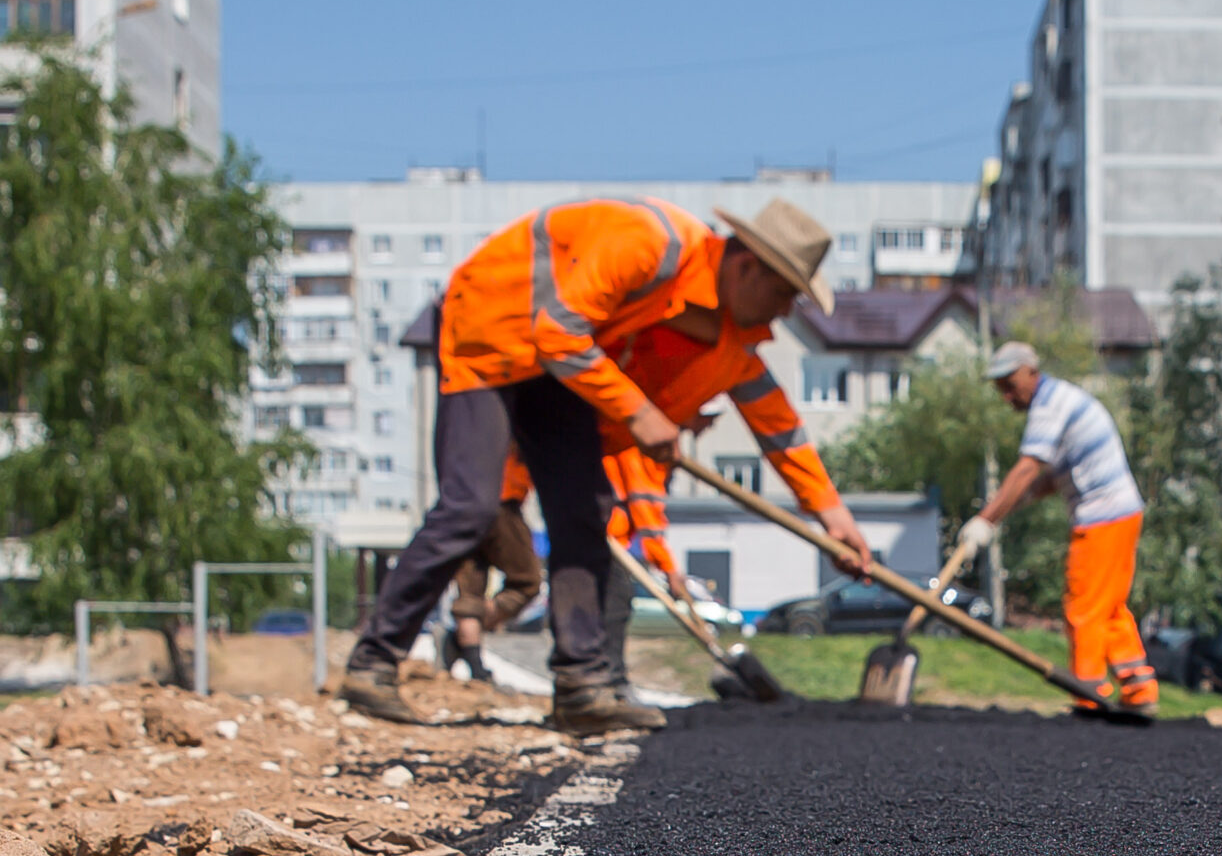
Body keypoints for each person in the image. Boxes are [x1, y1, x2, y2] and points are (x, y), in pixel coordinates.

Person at [340, 196, 852, 733]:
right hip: (489, 331)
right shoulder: (649, 244)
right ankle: (371, 663)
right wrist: (641, 412)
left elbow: (778, 428)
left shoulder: (718, 323)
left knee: (585, 512)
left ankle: (582, 687)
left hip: (559, 365)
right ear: (749, 267)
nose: (787, 310)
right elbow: (557, 329)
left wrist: (831, 513)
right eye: (784, 293)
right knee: (471, 508)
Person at [595, 300, 870, 685]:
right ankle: (607, 684)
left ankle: (609, 683)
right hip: (603, 533)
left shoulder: (732, 361)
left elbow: (781, 433)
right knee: (610, 603)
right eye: (705, 418)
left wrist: (830, 511)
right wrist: (669, 568)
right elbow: (646, 512)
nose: (705, 428)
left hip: (614, 538)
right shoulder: (643, 445)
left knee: (612, 603)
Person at [963, 341, 1158, 721]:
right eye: (999, 388)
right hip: (1122, 512)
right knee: (1109, 607)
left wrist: (986, 520)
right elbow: (1047, 480)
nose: (1006, 395)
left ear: (1031, 372)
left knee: (1083, 607)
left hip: (1103, 516)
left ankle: (1088, 695)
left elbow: (1028, 469)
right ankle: (1138, 690)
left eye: (1009, 383)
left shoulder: (1049, 405)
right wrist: (1013, 504)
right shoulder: (1063, 399)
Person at [445, 456, 541, 682]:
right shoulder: (507, 426)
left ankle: (471, 657)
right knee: (527, 583)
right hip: (502, 501)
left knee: (469, 594)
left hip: (462, 504)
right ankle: (466, 645)